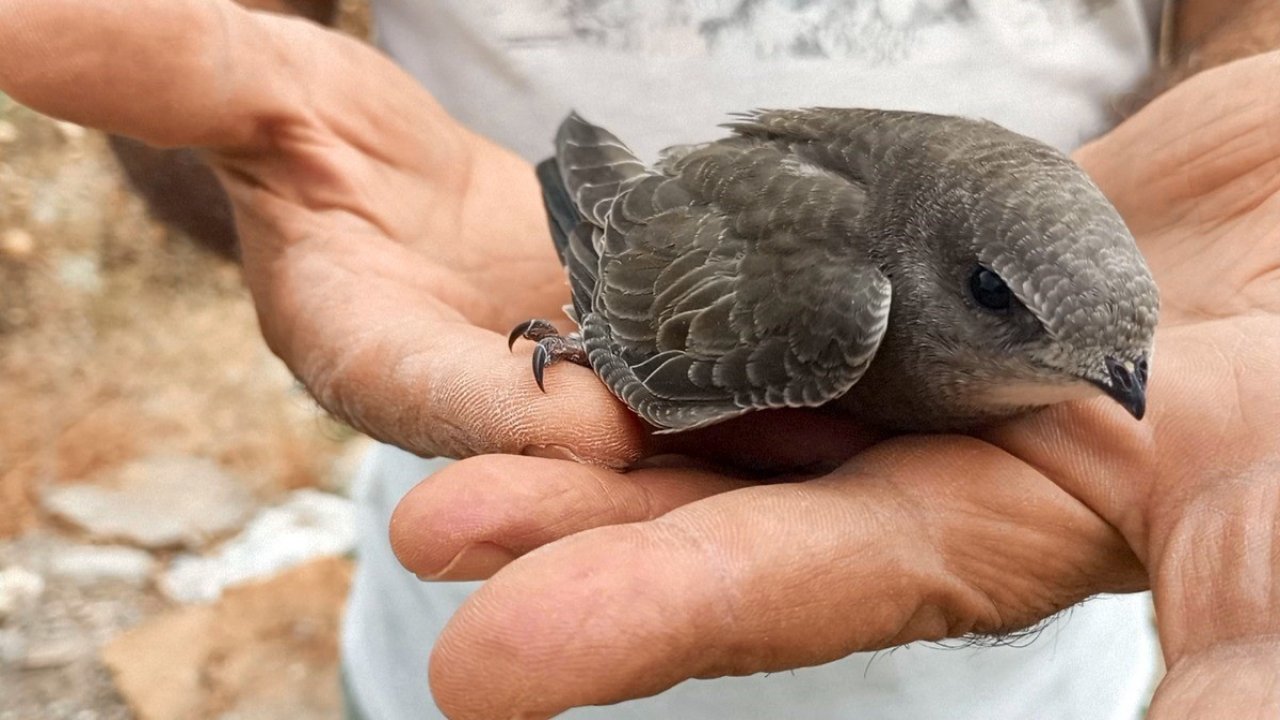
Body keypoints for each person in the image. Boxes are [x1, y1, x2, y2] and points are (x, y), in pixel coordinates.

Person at [1, 2, 1278, 719]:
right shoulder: (825, 300)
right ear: (949, 284)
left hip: (1047, 673)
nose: (1120, 391)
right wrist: (253, 156)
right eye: (1006, 310)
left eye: (1122, 352)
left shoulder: (1063, 314)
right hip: (497, 599)